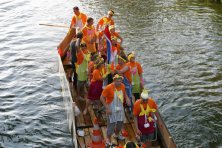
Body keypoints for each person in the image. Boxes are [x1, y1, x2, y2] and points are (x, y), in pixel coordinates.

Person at [100, 74, 131, 147]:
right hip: (111, 107)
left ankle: (116, 134)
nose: (119, 83)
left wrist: (127, 98)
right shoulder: (108, 87)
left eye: (120, 81)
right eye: (117, 81)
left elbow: (124, 93)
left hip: (120, 106)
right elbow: (101, 97)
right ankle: (108, 138)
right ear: (114, 81)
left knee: (120, 122)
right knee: (111, 124)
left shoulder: (122, 86)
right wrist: (107, 108)